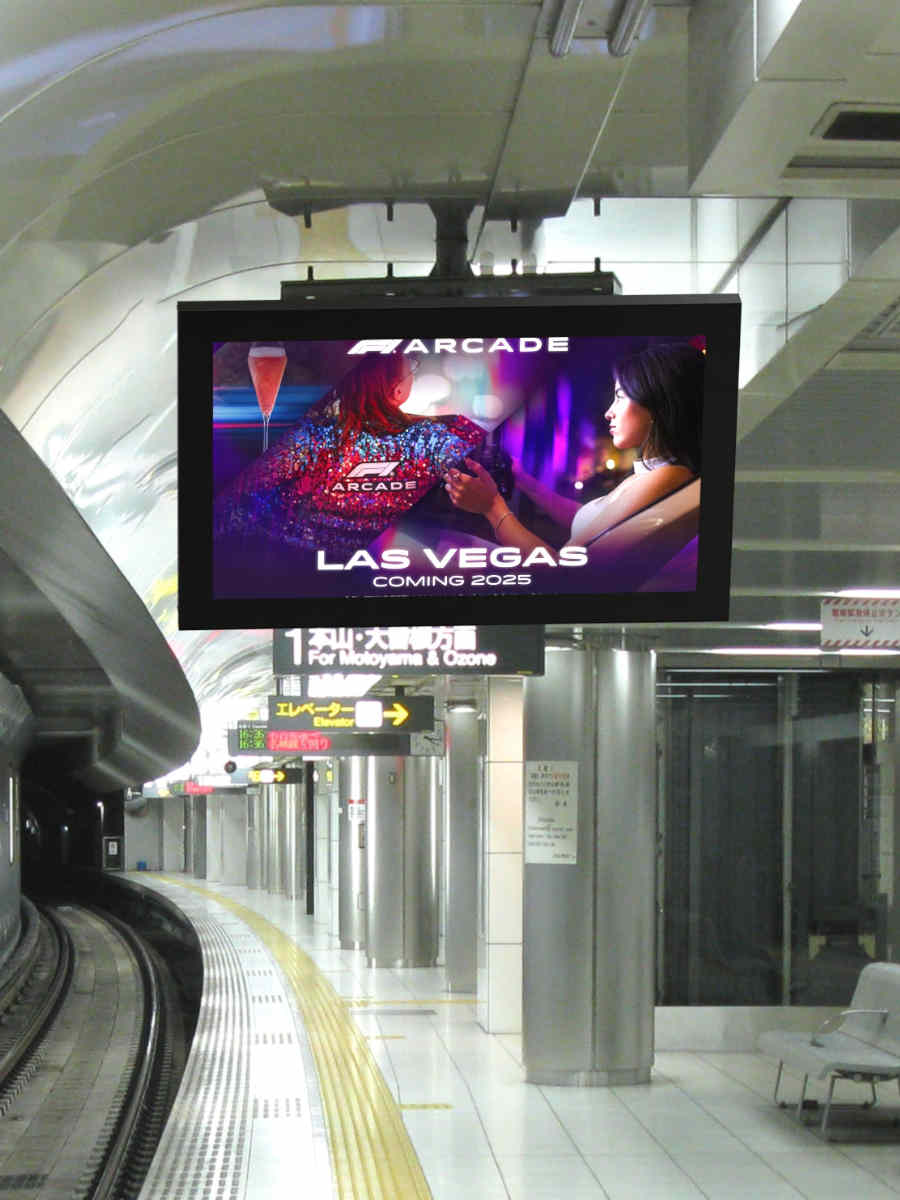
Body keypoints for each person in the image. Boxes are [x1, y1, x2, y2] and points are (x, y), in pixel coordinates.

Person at [444, 342, 703, 560]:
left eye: (621, 396)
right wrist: (525, 480)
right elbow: (588, 521)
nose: (608, 412)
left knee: (443, 542)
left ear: (657, 405)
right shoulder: (657, 472)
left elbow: (562, 571)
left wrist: (491, 507)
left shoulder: (666, 478)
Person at [215, 350, 485, 557]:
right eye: (411, 367)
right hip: (398, 569)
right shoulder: (445, 434)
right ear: (397, 389)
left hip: (295, 575)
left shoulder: (305, 437)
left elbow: (236, 509)